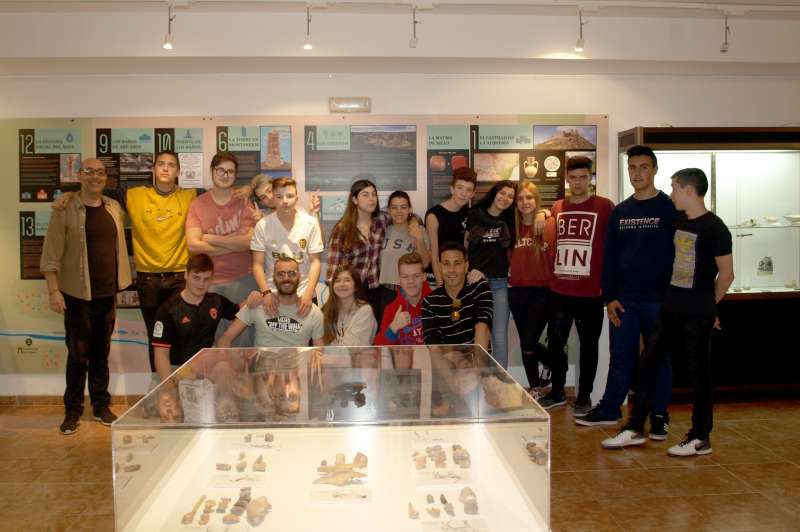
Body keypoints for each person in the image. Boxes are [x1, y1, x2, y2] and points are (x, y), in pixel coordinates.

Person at [602, 168, 733, 457]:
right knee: (649, 363)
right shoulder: (678, 220)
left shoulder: (715, 227)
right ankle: (635, 427)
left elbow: (726, 274)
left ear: (688, 190)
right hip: (671, 306)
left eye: (674, 187)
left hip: (698, 311)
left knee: (699, 373)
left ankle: (700, 436)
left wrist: (710, 306)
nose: (671, 192)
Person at [52, 150, 197, 373]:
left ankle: (181, 388)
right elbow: (93, 189)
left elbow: (219, 194)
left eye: (171, 165)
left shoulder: (191, 196)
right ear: (153, 169)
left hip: (179, 278)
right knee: (157, 338)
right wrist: (71, 194)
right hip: (148, 281)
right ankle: (160, 389)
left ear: (178, 171)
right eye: (161, 164)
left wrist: (247, 190)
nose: (166, 168)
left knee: (182, 335)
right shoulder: (133, 195)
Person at [577, 145, 676, 438]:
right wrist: (609, 297)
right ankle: (610, 409)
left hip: (659, 301)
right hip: (625, 302)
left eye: (643, 167)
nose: (637, 173)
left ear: (654, 169)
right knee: (620, 357)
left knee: (660, 359)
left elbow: (682, 255)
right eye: (632, 167)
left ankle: (659, 416)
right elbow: (608, 259)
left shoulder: (669, 208)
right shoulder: (621, 212)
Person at [40, 158, 132, 434]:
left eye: (100, 172)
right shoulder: (65, 208)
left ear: (106, 177)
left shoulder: (113, 207)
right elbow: (51, 254)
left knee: (101, 354)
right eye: (89, 172)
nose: (95, 177)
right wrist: (53, 290)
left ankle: (101, 406)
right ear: (79, 175)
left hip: (106, 294)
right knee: (78, 356)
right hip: (76, 296)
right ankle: (72, 411)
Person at [539, 156, 614, 414]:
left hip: (591, 292)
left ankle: (584, 396)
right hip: (560, 290)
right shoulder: (558, 206)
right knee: (556, 343)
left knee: (588, 346)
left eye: (583, 177)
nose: (578, 182)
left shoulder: (605, 206)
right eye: (573, 177)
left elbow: (613, 246)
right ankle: (558, 391)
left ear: (590, 178)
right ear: (567, 179)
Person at [186, 152, 258, 346]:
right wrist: (233, 244)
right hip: (210, 283)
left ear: (235, 175)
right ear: (212, 171)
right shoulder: (198, 204)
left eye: (230, 171)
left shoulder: (243, 201)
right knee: (215, 344)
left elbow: (249, 242)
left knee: (243, 344)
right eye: (221, 170)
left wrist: (211, 239)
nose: (225, 175)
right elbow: (193, 245)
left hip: (243, 281)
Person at [151, 254, 254, 383]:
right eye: (196, 277)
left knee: (225, 367)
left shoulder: (215, 301)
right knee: (166, 395)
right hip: (178, 371)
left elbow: (238, 311)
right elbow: (161, 354)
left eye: (206, 279)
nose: (201, 284)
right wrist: (168, 385)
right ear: (186, 275)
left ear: (212, 279)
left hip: (206, 370)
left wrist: (254, 298)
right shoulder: (168, 310)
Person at [250, 176, 323, 319]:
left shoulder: (310, 222)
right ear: (274, 198)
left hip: (304, 295)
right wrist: (266, 293)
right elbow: (257, 265)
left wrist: (308, 294)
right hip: (273, 296)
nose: (284, 201)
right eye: (279, 196)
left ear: (296, 198)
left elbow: (315, 261)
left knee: (309, 332)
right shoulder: (262, 225)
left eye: (289, 196)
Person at [508, 181, 556, 391]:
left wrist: (544, 213)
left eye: (529, 197)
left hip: (541, 292)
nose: (524, 202)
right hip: (516, 292)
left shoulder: (548, 223)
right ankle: (535, 388)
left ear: (536, 200)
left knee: (528, 342)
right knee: (525, 345)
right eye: (520, 198)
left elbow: (557, 212)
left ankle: (557, 363)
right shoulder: (511, 226)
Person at [218, 257, 325, 348]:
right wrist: (227, 360)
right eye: (280, 274)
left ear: (299, 277)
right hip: (264, 366)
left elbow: (319, 352)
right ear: (273, 278)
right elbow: (226, 338)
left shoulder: (314, 312)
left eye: (291, 274)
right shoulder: (257, 304)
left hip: (298, 366)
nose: (286, 278)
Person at [465, 180, 516, 368]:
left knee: (499, 336)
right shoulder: (475, 214)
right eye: (502, 193)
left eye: (510, 196)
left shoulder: (510, 220)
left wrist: (543, 214)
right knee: (475, 333)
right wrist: (469, 268)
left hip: (499, 283)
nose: (505, 198)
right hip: (475, 283)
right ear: (494, 193)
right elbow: (465, 247)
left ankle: (500, 380)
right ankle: (475, 378)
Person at [326, 177, 389, 315]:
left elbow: (403, 216)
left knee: (375, 325)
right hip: (351, 291)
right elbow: (333, 268)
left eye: (374, 194)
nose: (371, 199)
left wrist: (413, 221)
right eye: (365, 195)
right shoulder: (342, 228)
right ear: (355, 200)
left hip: (376, 288)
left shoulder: (382, 220)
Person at [422, 242, 493, 352]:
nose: (452, 270)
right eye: (446, 264)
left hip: (476, 358)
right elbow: (433, 345)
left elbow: (482, 328)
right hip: (447, 359)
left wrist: (476, 362)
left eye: (457, 263)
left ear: (466, 266)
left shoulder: (479, 287)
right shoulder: (430, 302)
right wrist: (456, 358)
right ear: (440, 267)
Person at [378, 191, 431, 311]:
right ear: (389, 210)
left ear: (409, 209)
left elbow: (425, 263)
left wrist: (419, 239)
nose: (399, 211)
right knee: (389, 323)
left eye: (403, 207)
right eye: (394, 207)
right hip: (386, 291)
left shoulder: (419, 230)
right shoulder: (382, 231)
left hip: (411, 291)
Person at [425, 167, 477, 287]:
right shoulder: (434, 215)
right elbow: (434, 254)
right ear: (452, 189)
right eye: (460, 187)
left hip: (459, 278)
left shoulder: (470, 214)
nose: (463, 193)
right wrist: (440, 285)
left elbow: (466, 250)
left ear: (473, 193)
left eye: (468, 189)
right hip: (438, 277)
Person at [375, 252, 432, 345]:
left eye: (416, 276)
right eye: (405, 277)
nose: (411, 281)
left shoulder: (437, 303)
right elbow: (380, 347)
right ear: (399, 280)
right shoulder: (391, 309)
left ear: (424, 277)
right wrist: (394, 327)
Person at [321, 265, 378, 346]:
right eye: (337, 281)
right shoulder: (326, 310)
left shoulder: (365, 311)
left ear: (356, 286)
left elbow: (352, 347)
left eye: (347, 280)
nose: (342, 284)